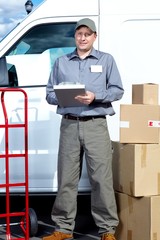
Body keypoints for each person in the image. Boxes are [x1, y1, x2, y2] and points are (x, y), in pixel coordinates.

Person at [43, 18, 124, 240]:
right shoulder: (61, 62)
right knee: (67, 179)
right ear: (75, 36)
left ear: (94, 37)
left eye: (87, 34)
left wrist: (95, 97)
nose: (83, 38)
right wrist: (61, 96)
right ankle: (62, 229)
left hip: (96, 124)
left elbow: (117, 90)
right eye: (79, 34)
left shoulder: (106, 60)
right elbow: (49, 94)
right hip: (69, 125)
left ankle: (107, 229)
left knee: (101, 179)